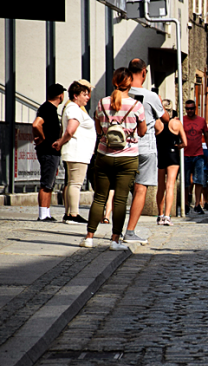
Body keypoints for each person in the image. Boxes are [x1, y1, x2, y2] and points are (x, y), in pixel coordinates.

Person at [81, 67, 146, 250]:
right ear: (130, 84)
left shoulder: (101, 103)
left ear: (114, 82)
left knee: (99, 197)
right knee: (120, 199)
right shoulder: (136, 105)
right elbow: (142, 132)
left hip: (104, 155)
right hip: (128, 156)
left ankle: (89, 237)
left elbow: (99, 130)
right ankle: (115, 240)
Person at [124, 58, 168, 244]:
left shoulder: (120, 94)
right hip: (145, 146)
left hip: (124, 147)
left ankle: (115, 232)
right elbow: (165, 118)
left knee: (119, 191)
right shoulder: (151, 96)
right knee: (140, 189)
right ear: (144, 72)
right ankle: (130, 231)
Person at [52, 81, 96, 225]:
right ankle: (73, 214)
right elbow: (71, 130)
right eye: (84, 94)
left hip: (77, 151)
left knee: (72, 183)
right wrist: (61, 141)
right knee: (75, 184)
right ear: (75, 95)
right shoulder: (74, 109)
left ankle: (69, 213)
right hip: (77, 151)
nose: (87, 97)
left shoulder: (74, 108)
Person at [32, 83, 66, 222]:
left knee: (49, 182)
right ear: (60, 96)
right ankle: (42, 214)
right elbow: (36, 124)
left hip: (49, 151)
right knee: (47, 183)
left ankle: (46, 212)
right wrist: (42, 137)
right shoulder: (48, 108)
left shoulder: (48, 108)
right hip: (48, 151)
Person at [155, 100, 187, 225]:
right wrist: (178, 146)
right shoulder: (176, 123)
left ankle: (160, 215)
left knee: (160, 186)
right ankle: (167, 216)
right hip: (172, 154)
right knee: (170, 186)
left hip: (160, 153)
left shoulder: (157, 122)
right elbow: (185, 143)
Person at [182, 99, 208, 214]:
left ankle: (198, 204)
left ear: (195, 108)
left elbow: (207, 136)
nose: (189, 111)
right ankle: (185, 204)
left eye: (191, 108)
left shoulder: (201, 121)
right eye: (187, 109)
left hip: (198, 154)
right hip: (184, 154)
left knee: (199, 180)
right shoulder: (181, 120)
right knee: (185, 181)